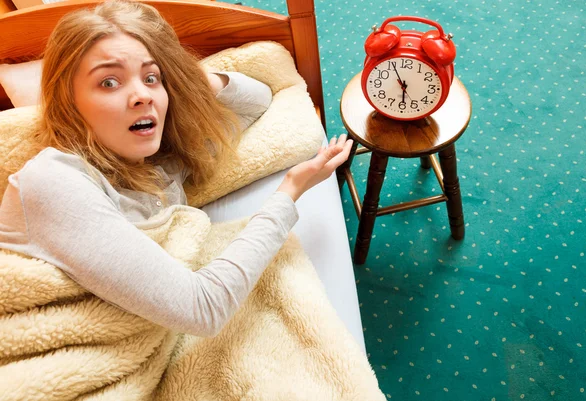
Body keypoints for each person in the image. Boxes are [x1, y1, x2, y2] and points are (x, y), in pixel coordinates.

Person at [0, 0, 352, 337]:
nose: (142, 96)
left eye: (151, 78)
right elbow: (203, 310)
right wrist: (290, 190)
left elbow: (254, 103)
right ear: (68, 102)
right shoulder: (51, 181)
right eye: (109, 82)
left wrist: (185, 80)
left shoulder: (161, 167)